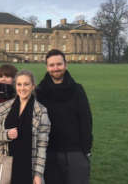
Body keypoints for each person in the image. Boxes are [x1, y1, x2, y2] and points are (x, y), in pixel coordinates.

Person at [36, 49, 93, 184]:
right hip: (49, 152)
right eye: (52, 65)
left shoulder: (77, 89)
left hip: (75, 152)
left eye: (59, 64)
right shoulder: (40, 91)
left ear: (65, 65)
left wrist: (86, 149)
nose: (56, 68)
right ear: (47, 67)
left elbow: (86, 120)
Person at [0, 70, 51, 184]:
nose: (22, 88)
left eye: (26, 84)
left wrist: (38, 175)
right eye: (19, 84)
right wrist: (7, 135)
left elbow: (42, 146)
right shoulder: (4, 108)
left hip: (28, 167)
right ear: (15, 86)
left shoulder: (41, 111)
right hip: (5, 165)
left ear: (33, 86)